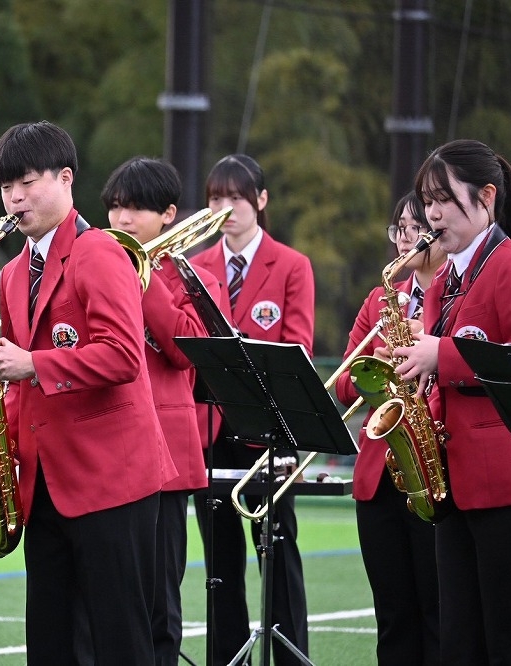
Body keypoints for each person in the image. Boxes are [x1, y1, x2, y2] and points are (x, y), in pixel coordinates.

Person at [0, 121, 176, 665]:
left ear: (65, 179)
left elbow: (124, 356)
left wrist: (33, 364)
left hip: (111, 480)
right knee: (51, 644)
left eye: (26, 182)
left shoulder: (101, 251)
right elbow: (17, 385)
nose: (14, 198)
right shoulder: (13, 273)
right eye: (6, 187)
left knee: (121, 643)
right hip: (44, 484)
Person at [394, 139, 511, 665]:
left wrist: (441, 355)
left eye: (443, 199)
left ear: (487, 196)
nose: (432, 214)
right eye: (427, 201)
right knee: (460, 645)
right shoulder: (443, 281)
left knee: (510, 644)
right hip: (458, 485)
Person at [190, 153, 314, 666]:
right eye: (216, 198)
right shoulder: (196, 267)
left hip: (269, 431)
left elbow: (299, 348)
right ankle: (227, 658)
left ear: (261, 201)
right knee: (219, 564)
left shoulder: (292, 265)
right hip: (211, 430)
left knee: (278, 553)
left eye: (237, 197)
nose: (226, 208)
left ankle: (291, 658)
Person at [100, 156, 222, 665]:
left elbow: (187, 348)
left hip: (164, 455)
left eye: (136, 209)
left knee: (158, 603)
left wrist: (142, 279)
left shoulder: (198, 278)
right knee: (106, 597)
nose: (122, 219)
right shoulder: (96, 266)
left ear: (169, 214)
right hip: (105, 447)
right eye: (115, 208)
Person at [334, 191, 445, 665]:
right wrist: (371, 369)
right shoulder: (381, 298)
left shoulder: (458, 292)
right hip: (380, 478)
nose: (405, 239)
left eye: (416, 228)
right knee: (393, 617)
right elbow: (343, 386)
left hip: (436, 470)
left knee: (439, 616)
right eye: (399, 228)